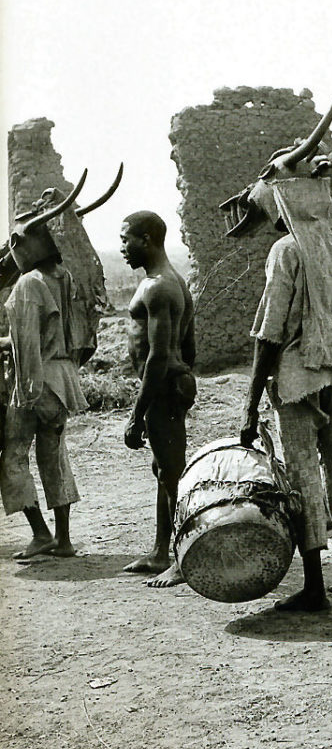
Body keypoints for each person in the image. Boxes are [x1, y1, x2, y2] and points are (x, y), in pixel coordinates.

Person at [238, 149, 332, 613]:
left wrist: (249, 404)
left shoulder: (287, 249)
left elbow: (269, 332)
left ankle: (316, 587)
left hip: (299, 376)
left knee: (303, 473)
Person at [0, 187, 89, 559]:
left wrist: (25, 389)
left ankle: (39, 533)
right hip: (63, 380)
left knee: (13, 457)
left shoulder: (27, 284)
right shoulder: (62, 276)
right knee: (54, 458)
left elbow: (25, 344)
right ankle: (64, 539)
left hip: (36, 382)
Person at [120, 211, 196, 589]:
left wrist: (138, 413)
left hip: (162, 388)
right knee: (164, 470)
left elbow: (159, 355)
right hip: (170, 387)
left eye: (126, 239)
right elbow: (191, 347)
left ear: (146, 239)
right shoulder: (174, 282)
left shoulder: (157, 288)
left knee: (172, 474)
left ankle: (182, 558)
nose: (122, 248)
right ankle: (160, 552)